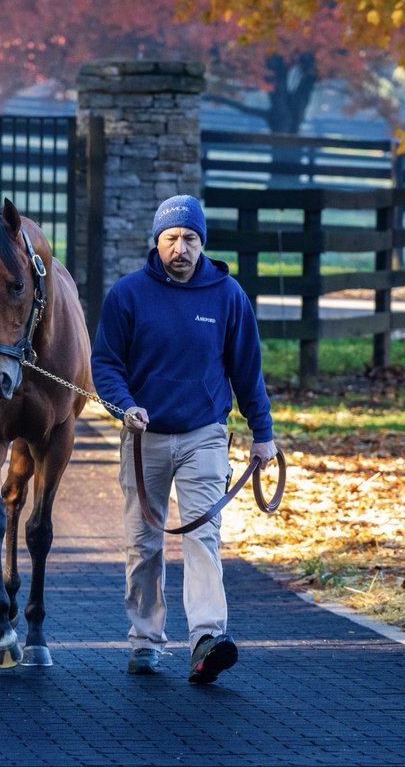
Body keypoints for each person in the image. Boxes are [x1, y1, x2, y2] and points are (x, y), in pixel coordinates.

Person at [91, 194, 277, 684]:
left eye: (191, 238)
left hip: (204, 435)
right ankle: (145, 640)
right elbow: (106, 364)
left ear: (202, 244)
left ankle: (206, 638)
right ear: (157, 242)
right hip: (144, 436)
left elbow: (247, 371)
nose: (181, 248)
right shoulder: (127, 295)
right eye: (172, 238)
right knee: (143, 544)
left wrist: (264, 435)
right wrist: (122, 405)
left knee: (203, 537)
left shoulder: (227, 295)